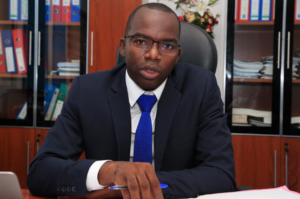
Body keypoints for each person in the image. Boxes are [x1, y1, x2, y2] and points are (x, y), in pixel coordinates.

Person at [27, 3, 236, 199]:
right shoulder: (87, 91)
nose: (153, 54)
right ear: (123, 47)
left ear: (178, 55)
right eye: (141, 42)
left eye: (167, 46)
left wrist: (128, 188)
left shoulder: (200, 88)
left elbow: (222, 176)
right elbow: (40, 173)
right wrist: (108, 171)